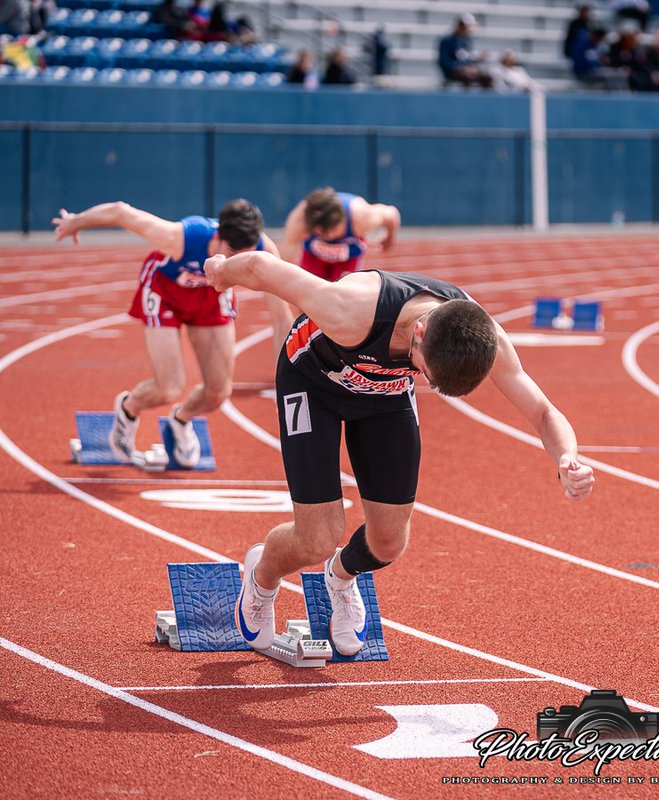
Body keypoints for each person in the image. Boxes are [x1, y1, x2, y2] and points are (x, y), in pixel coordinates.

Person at [200, 256, 597, 656]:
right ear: (420, 330)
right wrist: (221, 272)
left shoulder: (483, 335)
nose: (422, 378)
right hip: (312, 384)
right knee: (317, 538)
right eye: (423, 370)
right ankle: (261, 577)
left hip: (384, 398)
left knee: (388, 543)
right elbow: (261, 268)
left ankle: (339, 578)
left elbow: (543, 412)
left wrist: (567, 458)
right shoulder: (351, 307)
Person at [51, 200, 278, 468]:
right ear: (217, 238)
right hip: (165, 293)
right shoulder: (182, 238)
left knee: (218, 392)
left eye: (243, 257)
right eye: (230, 254)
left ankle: (181, 420)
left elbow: (281, 311)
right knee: (168, 387)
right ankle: (128, 409)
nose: (234, 263)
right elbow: (122, 213)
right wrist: (76, 222)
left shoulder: (265, 251)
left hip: (210, 296)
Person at [267, 188, 401, 354]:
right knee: (305, 298)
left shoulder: (361, 216)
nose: (329, 237)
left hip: (347, 257)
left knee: (343, 301)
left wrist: (389, 239)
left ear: (342, 220)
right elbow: (284, 263)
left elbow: (392, 215)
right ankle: (310, 346)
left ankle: (342, 346)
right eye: (322, 233)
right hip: (314, 256)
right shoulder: (300, 220)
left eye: (332, 232)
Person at [438, 13, 493, 89]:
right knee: (467, 77)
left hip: (465, 70)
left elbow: (466, 57)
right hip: (452, 72)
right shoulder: (447, 41)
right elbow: (444, 61)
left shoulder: (466, 40)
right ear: (461, 26)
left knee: (486, 77)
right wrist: (460, 68)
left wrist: (474, 64)